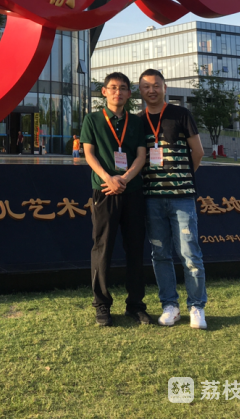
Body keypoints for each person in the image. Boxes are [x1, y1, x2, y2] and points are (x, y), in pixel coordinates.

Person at [138, 69, 207, 330]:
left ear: (165, 88)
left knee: (190, 253)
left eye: (156, 85)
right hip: (151, 199)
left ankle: (197, 306)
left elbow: (197, 152)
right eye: (146, 86)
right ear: (140, 91)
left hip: (182, 199)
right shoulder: (138, 120)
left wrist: (182, 178)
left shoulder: (181, 114)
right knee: (160, 254)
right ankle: (170, 305)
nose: (152, 90)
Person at [80, 72, 149, 327]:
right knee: (102, 248)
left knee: (135, 248)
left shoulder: (136, 122)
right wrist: (108, 178)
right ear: (104, 92)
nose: (117, 92)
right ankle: (102, 304)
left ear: (129, 93)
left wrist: (125, 179)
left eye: (122, 88)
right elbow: (89, 154)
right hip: (105, 190)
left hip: (132, 191)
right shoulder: (92, 119)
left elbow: (141, 156)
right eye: (113, 88)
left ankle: (136, 305)